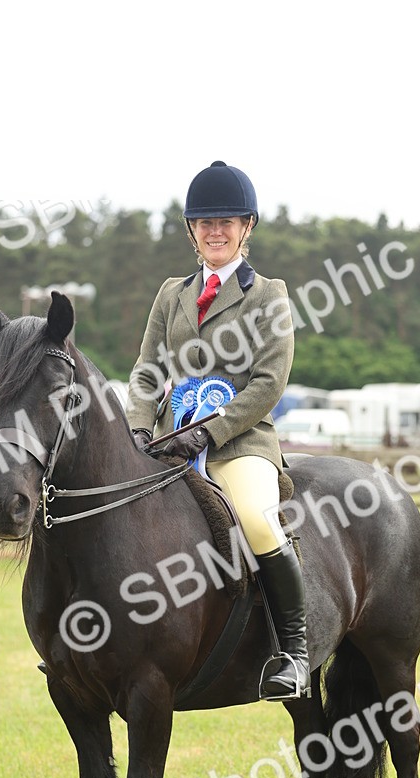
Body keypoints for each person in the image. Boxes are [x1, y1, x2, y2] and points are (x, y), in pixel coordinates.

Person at [126, 160, 310, 700]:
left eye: (227, 222)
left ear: (246, 227)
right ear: (191, 231)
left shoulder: (267, 295)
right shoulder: (171, 294)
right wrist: (138, 429)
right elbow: (146, 371)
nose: (216, 231)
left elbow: (268, 382)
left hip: (240, 443)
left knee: (255, 518)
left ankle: (293, 654)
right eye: (205, 223)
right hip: (168, 442)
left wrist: (210, 433)